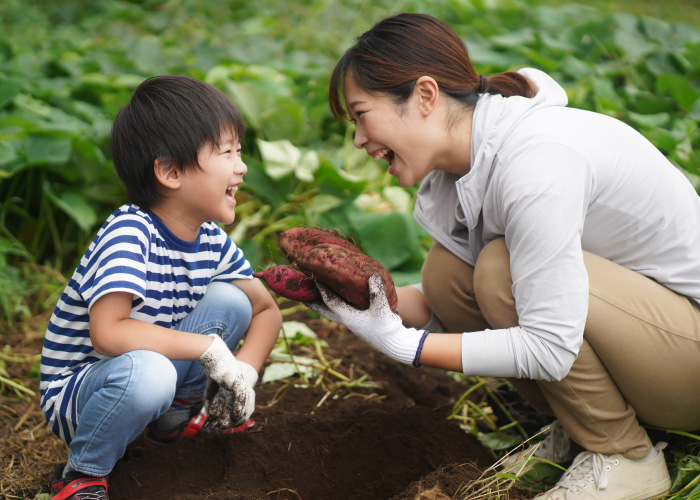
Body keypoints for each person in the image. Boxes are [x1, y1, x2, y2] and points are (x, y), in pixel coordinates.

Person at [313, 12, 700, 500]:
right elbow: (444, 304)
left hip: (690, 359)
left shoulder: (537, 160)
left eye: (361, 115)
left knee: (500, 271)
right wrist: (358, 300)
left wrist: (405, 347)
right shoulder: (465, 168)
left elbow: (549, 345)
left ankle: (626, 456)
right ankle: (580, 424)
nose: (359, 140)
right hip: (652, 342)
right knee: (449, 275)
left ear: (425, 96)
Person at [40, 75, 282, 500]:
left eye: (238, 152)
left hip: (153, 379)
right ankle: (82, 473)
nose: (241, 166)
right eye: (227, 152)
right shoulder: (129, 233)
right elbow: (109, 333)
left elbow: (266, 311)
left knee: (233, 299)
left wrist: (244, 370)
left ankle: (171, 421)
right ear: (171, 172)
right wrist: (208, 350)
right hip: (86, 393)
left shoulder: (210, 239)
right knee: (148, 372)